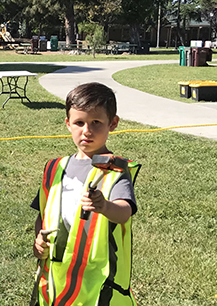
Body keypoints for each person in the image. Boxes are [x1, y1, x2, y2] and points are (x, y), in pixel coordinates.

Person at [31, 82, 140, 305]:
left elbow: (124, 212)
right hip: (54, 282)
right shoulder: (54, 169)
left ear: (113, 123)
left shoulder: (115, 170)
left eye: (96, 123)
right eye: (79, 123)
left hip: (98, 286)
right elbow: (43, 214)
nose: (87, 131)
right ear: (68, 124)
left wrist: (105, 207)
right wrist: (38, 240)